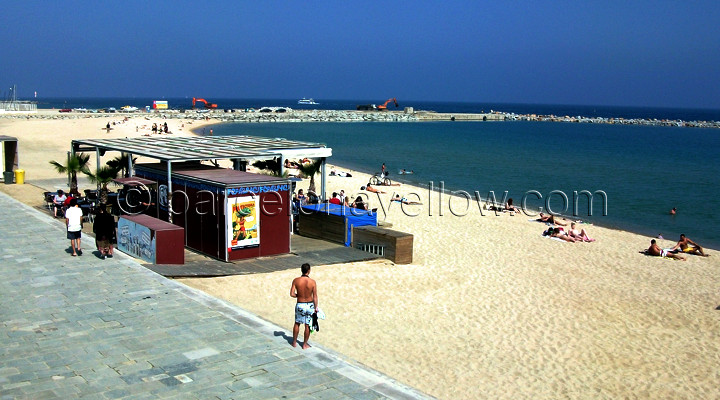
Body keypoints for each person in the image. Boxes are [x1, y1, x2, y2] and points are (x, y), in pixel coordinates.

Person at [290, 263, 318, 349]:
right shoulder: (312, 282)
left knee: (297, 323)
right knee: (307, 325)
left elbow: (291, 294)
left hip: (300, 304)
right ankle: (304, 344)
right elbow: (315, 296)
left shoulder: (296, 280)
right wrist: (316, 307)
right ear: (309, 271)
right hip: (309, 304)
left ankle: (294, 342)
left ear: (301, 270)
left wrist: (299, 295)